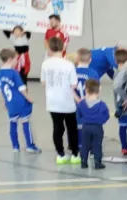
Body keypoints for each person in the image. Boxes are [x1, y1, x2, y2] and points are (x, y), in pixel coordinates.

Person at [41, 36, 80, 165]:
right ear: (63, 48)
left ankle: (61, 154)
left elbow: (43, 82)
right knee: (71, 128)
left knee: (57, 128)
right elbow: (74, 84)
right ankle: (75, 155)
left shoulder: (45, 64)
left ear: (50, 49)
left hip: (53, 102)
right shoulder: (68, 64)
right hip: (67, 101)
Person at [0, 48, 40, 154]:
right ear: (10, 59)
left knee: (13, 123)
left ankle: (15, 146)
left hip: (10, 104)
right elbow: (21, 88)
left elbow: (0, 89)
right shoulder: (14, 72)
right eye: (16, 59)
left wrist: (5, 101)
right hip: (20, 101)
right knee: (25, 122)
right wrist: (28, 98)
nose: (17, 62)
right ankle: (30, 145)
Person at [76, 79, 109, 170]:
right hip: (97, 127)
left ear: (86, 90)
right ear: (99, 90)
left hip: (85, 127)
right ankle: (97, 162)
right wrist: (100, 121)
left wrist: (84, 120)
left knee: (85, 145)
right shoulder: (102, 105)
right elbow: (107, 115)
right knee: (97, 145)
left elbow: (78, 115)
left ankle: (83, 161)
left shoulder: (81, 104)